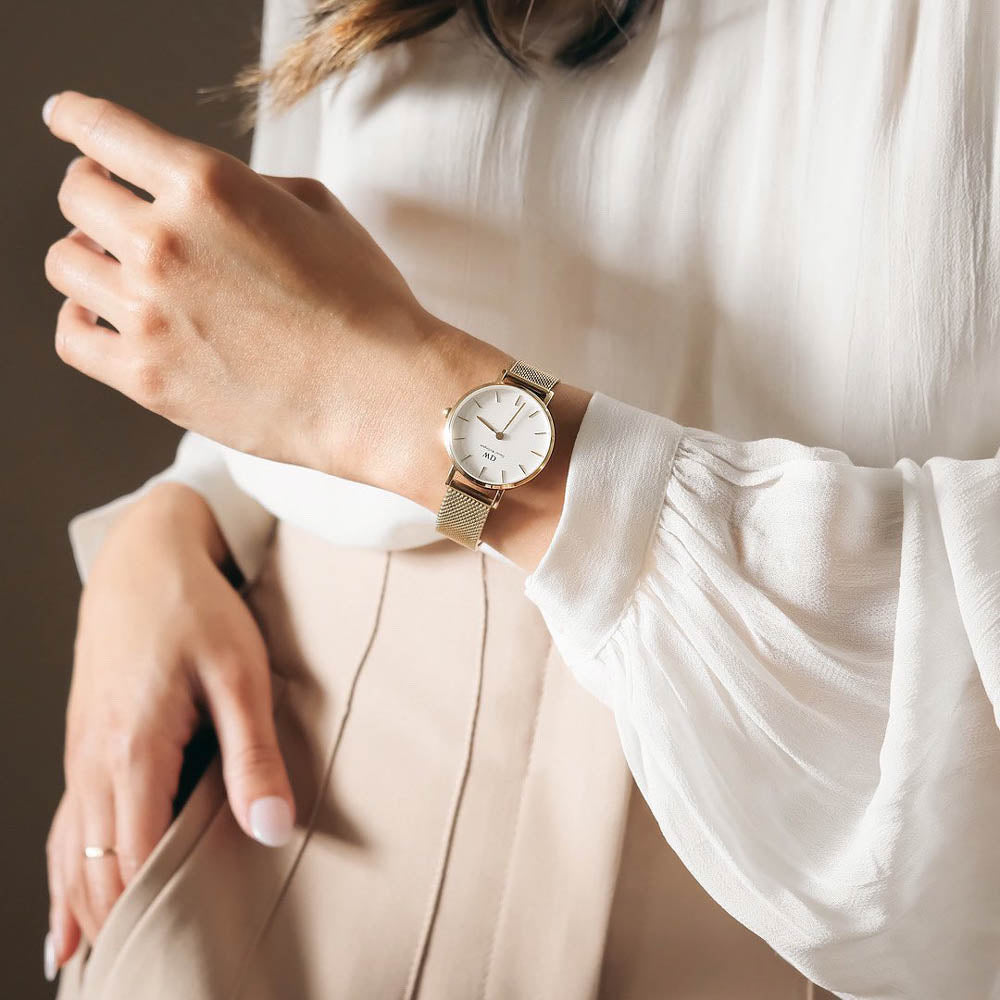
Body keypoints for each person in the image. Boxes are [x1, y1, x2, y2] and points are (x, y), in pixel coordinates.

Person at [40, 1, 1000, 997]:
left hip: (819, 873)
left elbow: (359, 373)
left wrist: (423, 418)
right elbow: (305, 283)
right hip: (302, 793)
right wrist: (185, 514)